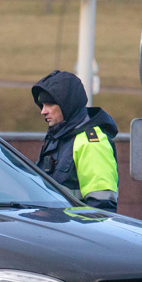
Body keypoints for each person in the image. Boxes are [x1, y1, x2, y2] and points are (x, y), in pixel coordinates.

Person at [31, 69, 119, 212]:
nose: (43, 111)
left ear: (66, 105)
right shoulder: (58, 138)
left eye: (50, 104)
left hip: (74, 231)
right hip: (56, 230)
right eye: (42, 105)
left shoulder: (90, 142)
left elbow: (101, 208)